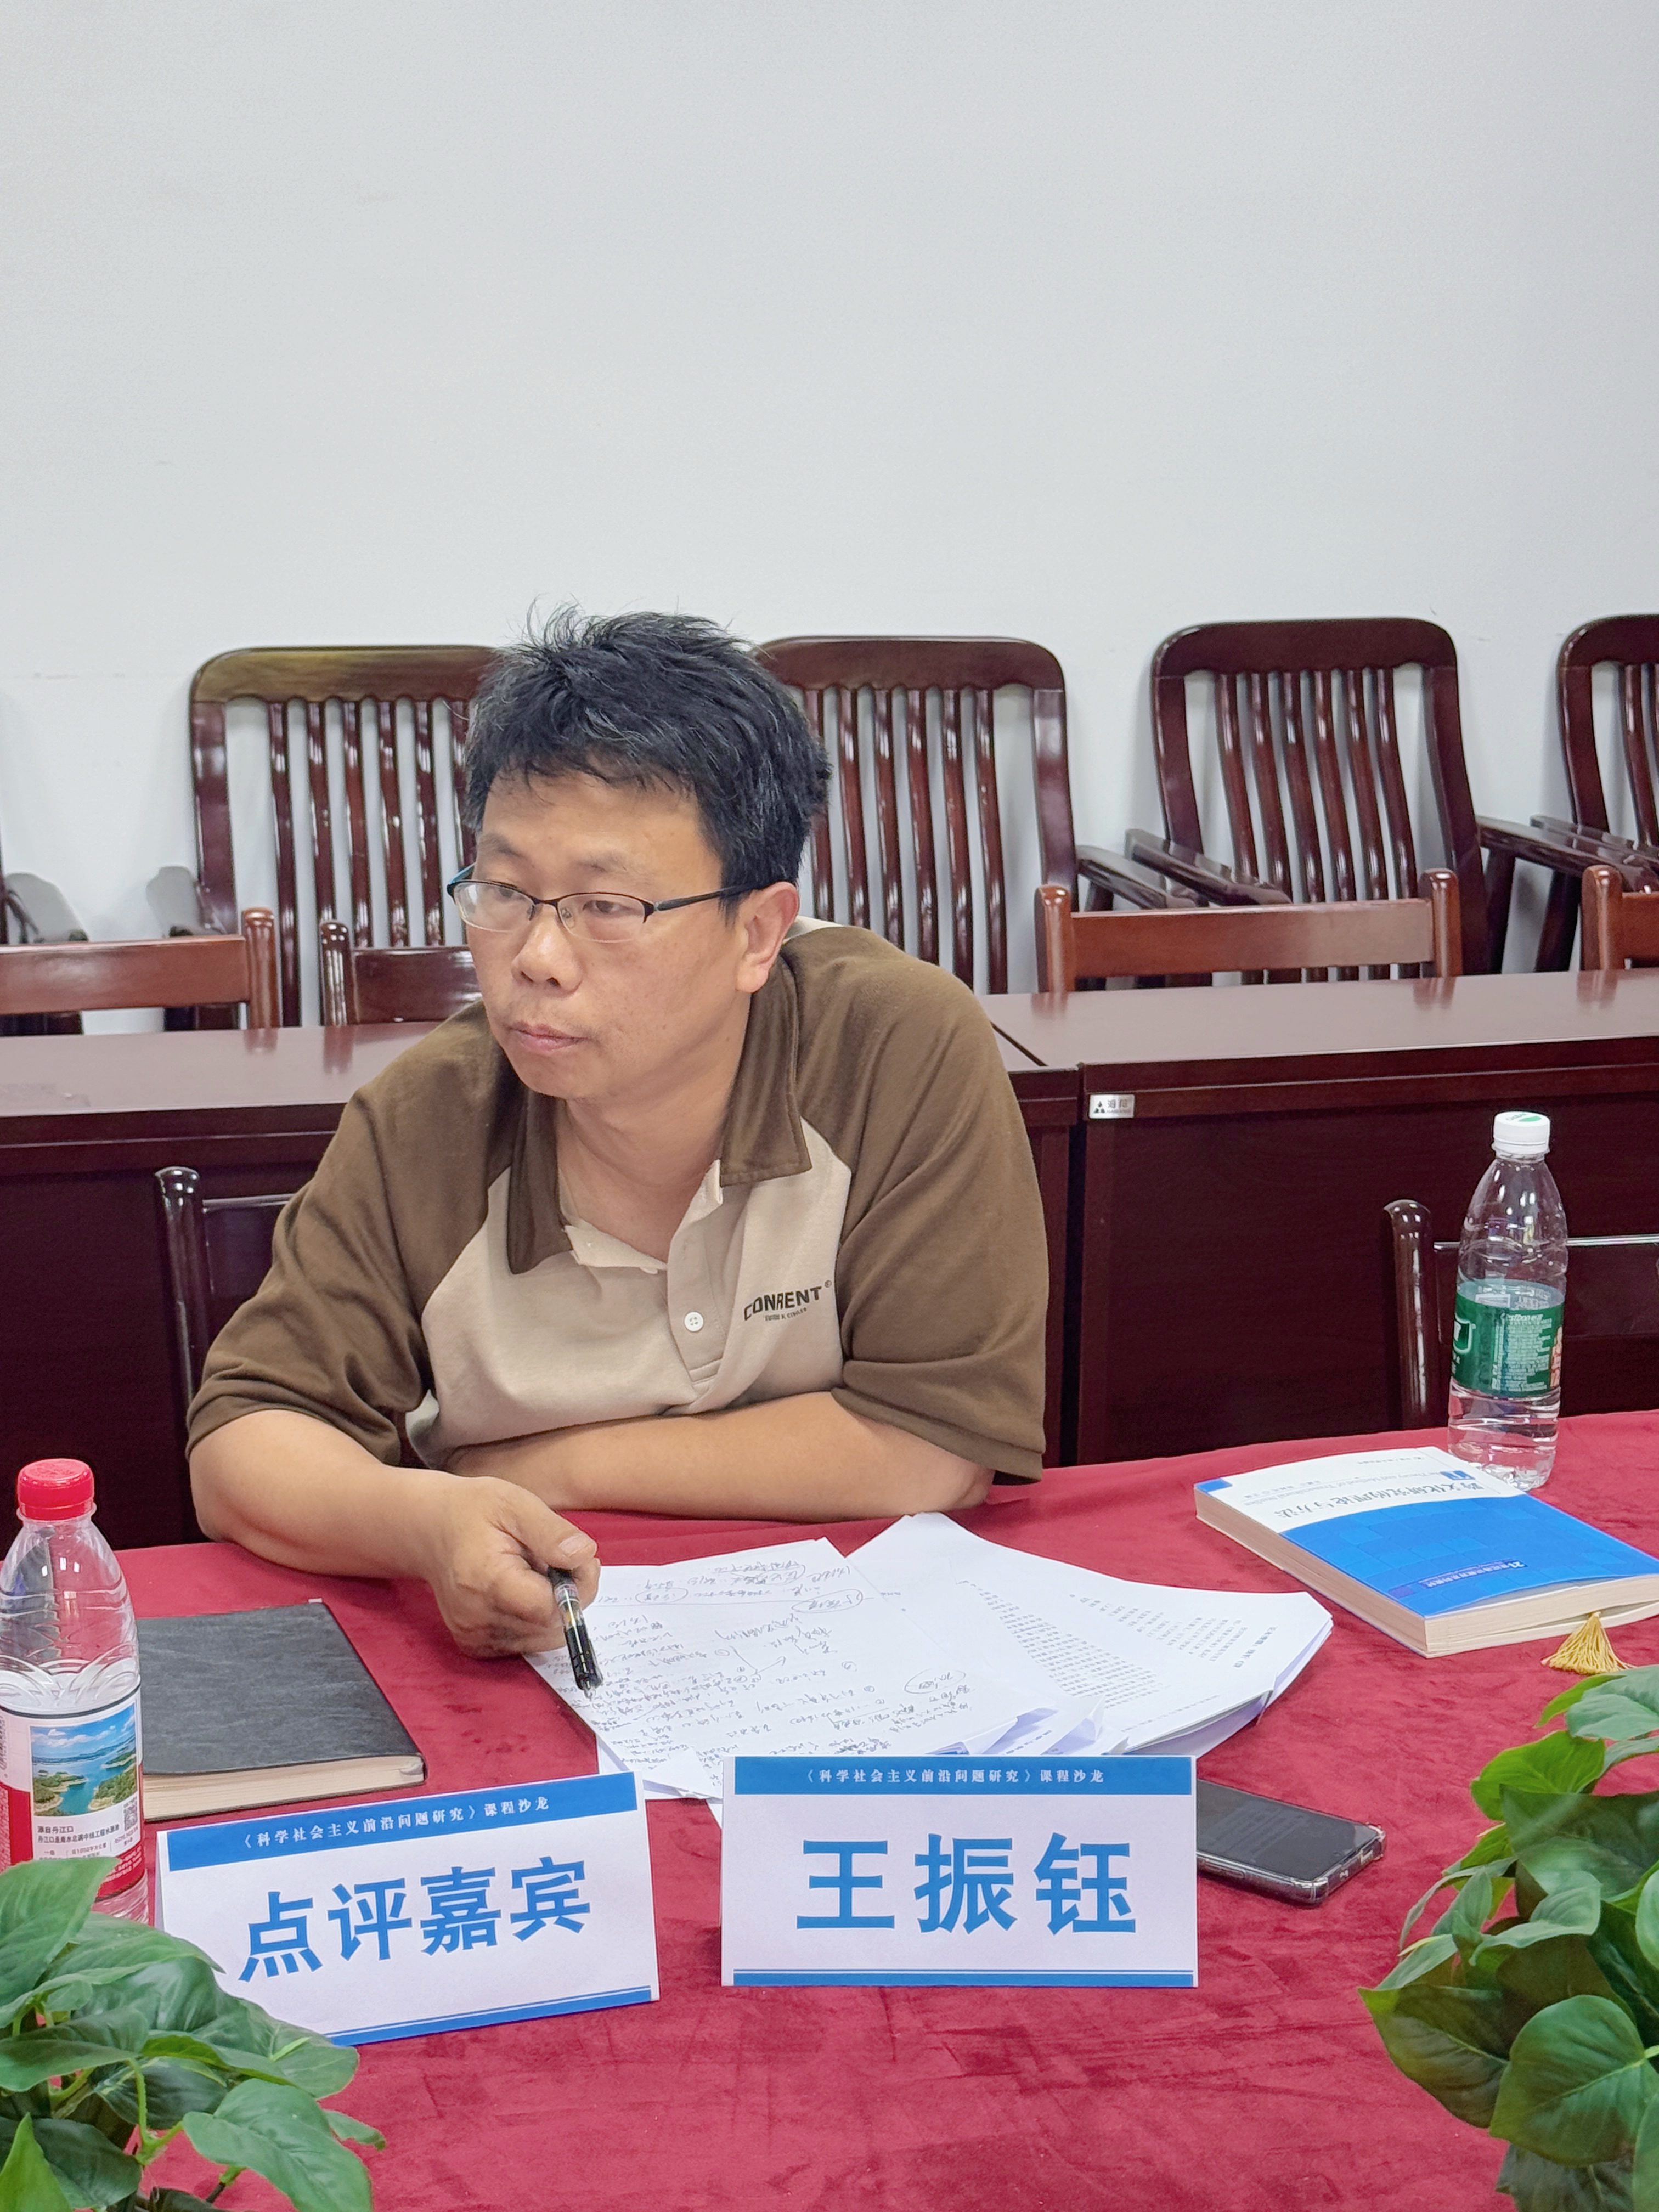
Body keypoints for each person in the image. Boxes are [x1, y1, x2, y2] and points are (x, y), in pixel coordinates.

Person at [189, 612, 1048, 1658]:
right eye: (504, 892)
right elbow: (243, 1443)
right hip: (534, 1646)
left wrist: (547, 1466)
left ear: (757, 933)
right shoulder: (431, 1116)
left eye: (606, 906)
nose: (537, 959)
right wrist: (427, 1522)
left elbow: (935, 1446)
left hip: (849, 1640)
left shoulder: (892, 1048)